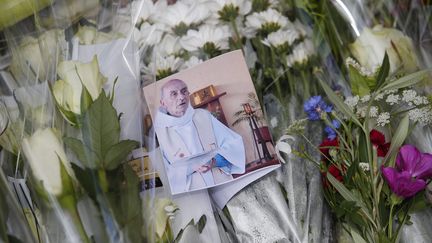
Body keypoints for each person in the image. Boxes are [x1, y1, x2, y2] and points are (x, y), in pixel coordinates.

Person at [154, 79, 246, 194]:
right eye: (174, 94)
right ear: (163, 103)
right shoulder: (159, 134)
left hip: (222, 183)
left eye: (184, 91)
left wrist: (214, 161)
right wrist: (191, 167)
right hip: (192, 193)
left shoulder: (203, 116)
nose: (181, 97)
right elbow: (162, 173)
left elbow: (233, 144)